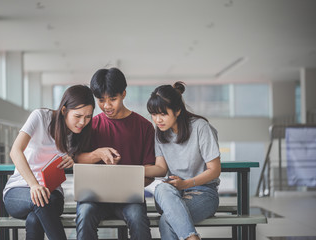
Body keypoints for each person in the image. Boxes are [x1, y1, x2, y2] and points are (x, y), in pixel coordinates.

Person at [3, 85, 95, 240]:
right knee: (39, 200)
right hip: (19, 190)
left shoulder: (78, 135)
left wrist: (72, 158)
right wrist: (34, 185)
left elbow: (79, 157)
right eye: (78, 116)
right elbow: (15, 151)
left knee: (35, 217)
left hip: (53, 194)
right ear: (64, 110)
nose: (82, 122)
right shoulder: (40, 117)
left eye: (88, 117)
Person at [75, 67, 155, 240]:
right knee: (85, 212)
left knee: (137, 217)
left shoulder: (145, 127)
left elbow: (151, 172)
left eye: (113, 99)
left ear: (124, 94)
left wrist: (128, 182)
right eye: (101, 100)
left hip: (129, 198)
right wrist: (97, 154)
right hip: (94, 198)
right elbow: (77, 158)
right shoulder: (90, 125)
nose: (107, 106)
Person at [145, 82, 221, 240]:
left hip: (204, 193)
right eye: (153, 114)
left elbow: (214, 170)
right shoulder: (160, 133)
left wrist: (186, 184)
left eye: (163, 114)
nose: (157, 120)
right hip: (174, 194)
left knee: (167, 221)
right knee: (161, 189)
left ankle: (191, 238)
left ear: (178, 111)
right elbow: (160, 168)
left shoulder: (201, 127)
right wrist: (135, 171)